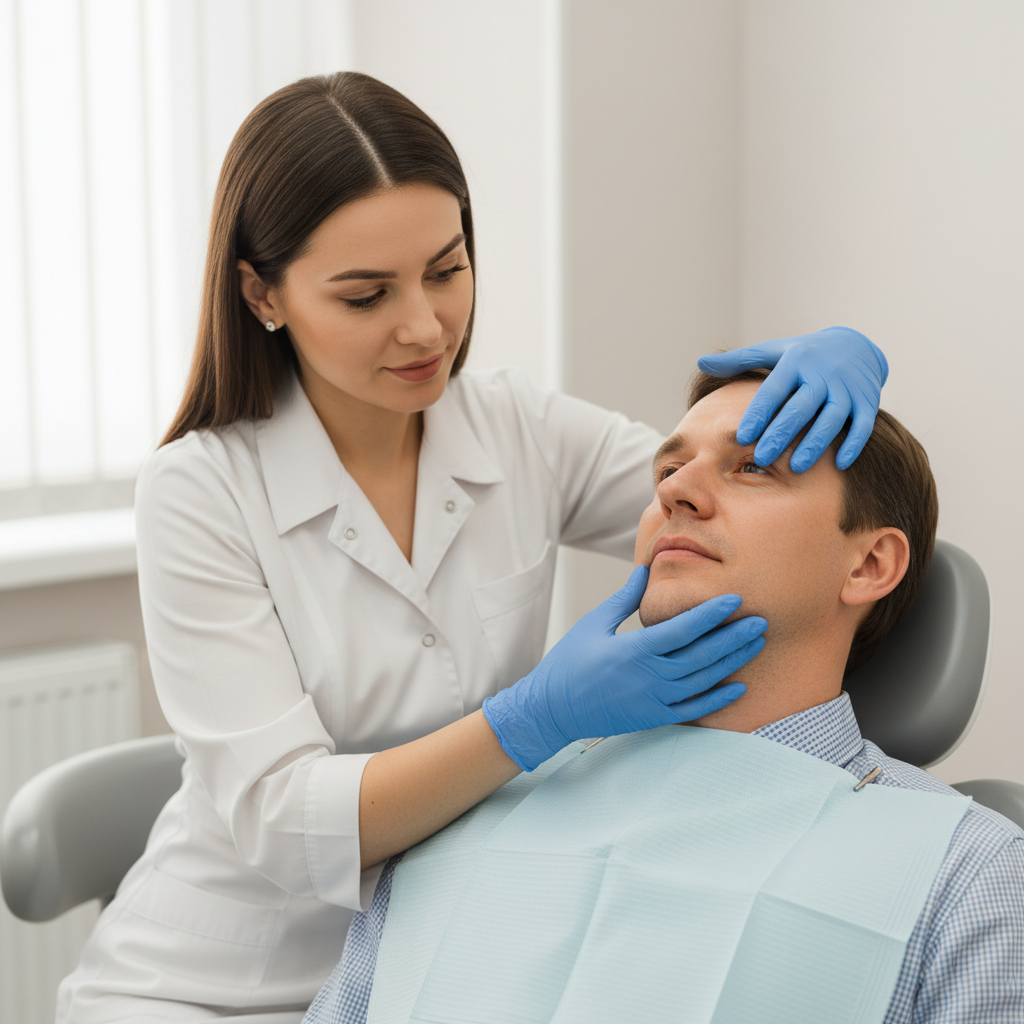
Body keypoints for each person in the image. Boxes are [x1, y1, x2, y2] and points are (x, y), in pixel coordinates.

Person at [57, 71, 891, 1023]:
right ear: (263, 295)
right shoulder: (199, 492)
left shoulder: (518, 428)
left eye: (446, 271)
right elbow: (286, 826)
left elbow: (715, 516)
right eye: (367, 295)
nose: (425, 328)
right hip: (225, 986)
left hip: (448, 955)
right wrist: (532, 719)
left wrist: (835, 369)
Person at [304, 370, 1024, 1024]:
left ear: (869, 563)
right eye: (669, 471)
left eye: (753, 467)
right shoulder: (464, 813)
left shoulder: (970, 874)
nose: (675, 490)